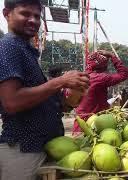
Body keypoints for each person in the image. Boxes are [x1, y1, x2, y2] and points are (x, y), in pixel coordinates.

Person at [0, 0, 90, 179]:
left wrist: (66, 101)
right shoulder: (8, 47)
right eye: (25, 14)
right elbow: (11, 102)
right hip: (22, 149)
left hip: (41, 146)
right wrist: (61, 81)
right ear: (7, 14)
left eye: (37, 16)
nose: (33, 20)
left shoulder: (24, 50)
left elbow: (36, 98)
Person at [73, 51, 128, 133]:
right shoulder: (101, 78)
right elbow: (124, 74)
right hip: (96, 124)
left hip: (80, 123)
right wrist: (112, 55)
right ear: (103, 67)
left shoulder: (81, 76)